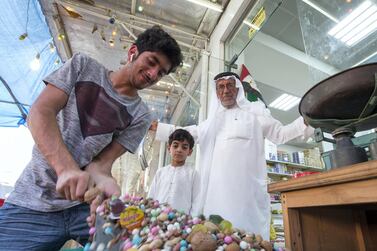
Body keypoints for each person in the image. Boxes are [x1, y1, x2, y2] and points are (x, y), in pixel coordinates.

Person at [0, 25, 182, 250]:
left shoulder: (141, 115)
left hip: (85, 206)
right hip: (33, 199)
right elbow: (39, 113)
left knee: (127, 243)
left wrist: (107, 183)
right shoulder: (83, 66)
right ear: (133, 51)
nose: (154, 74)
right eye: (152, 61)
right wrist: (65, 168)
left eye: (162, 72)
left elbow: (101, 165)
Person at [153, 72, 313, 240]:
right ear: (216, 93)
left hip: (246, 195)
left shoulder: (255, 116)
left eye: (230, 85)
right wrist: (159, 129)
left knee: (248, 239)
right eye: (221, 87)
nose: (226, 90)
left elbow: (281, 134)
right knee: (218, 238)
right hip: (216, 194)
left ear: (238, 89)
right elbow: (186, 134)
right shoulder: (211, 123)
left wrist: (307, 120)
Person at [148, 129, 200, 215]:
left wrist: (191, 221)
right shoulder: (161, 172)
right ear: (169, 148)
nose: (179, 150)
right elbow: (151, 196)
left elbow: (197, 201)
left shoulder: (193, 174)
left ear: (190, 152)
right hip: (157, 218)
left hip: (181, 221)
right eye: (175, 146)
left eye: (184, 147)